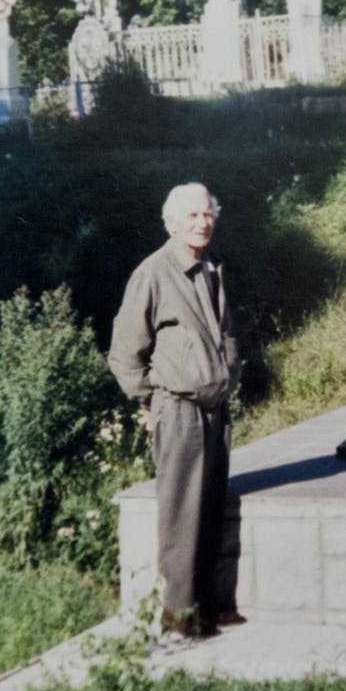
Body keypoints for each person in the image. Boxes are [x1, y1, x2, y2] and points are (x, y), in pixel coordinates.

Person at [109, 183, 243, 640]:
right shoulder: (154, 272)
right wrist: (151, 401)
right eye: (191, 216)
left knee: (209, 507)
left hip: (214, 407)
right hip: (179, 407)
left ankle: (210, 604)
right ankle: (178, 612)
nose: (202, 222)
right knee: (182, 511)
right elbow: (125, 351)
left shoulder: (210, 268)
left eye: (207, 214)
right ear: (172, 222)